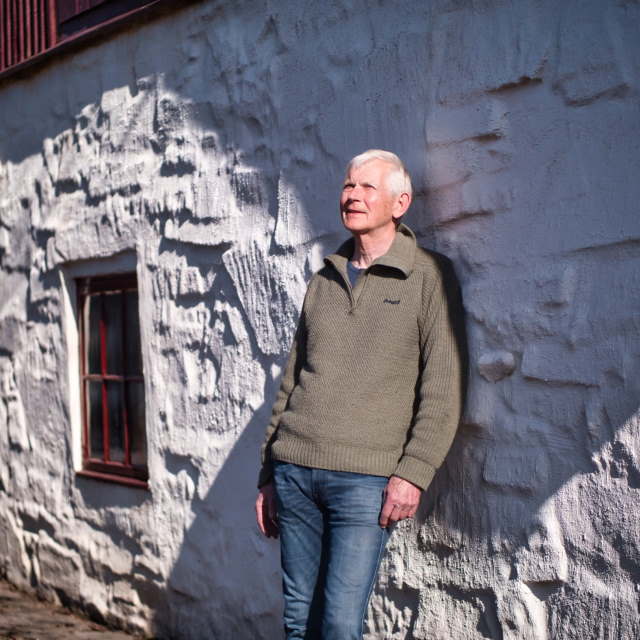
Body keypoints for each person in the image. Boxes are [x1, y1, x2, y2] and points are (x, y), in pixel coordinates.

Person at [255, 149, 466, 639]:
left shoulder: (429, 277)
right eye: (349, 185)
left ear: (400, 202)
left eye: (367, 187)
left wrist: (413, 472)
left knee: (339, 622)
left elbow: (443, 383)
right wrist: (269, 470)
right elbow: (292, 379)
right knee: (297, 618)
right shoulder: (323, 280)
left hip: (365, 481)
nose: (352, 195)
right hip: (294, 474)